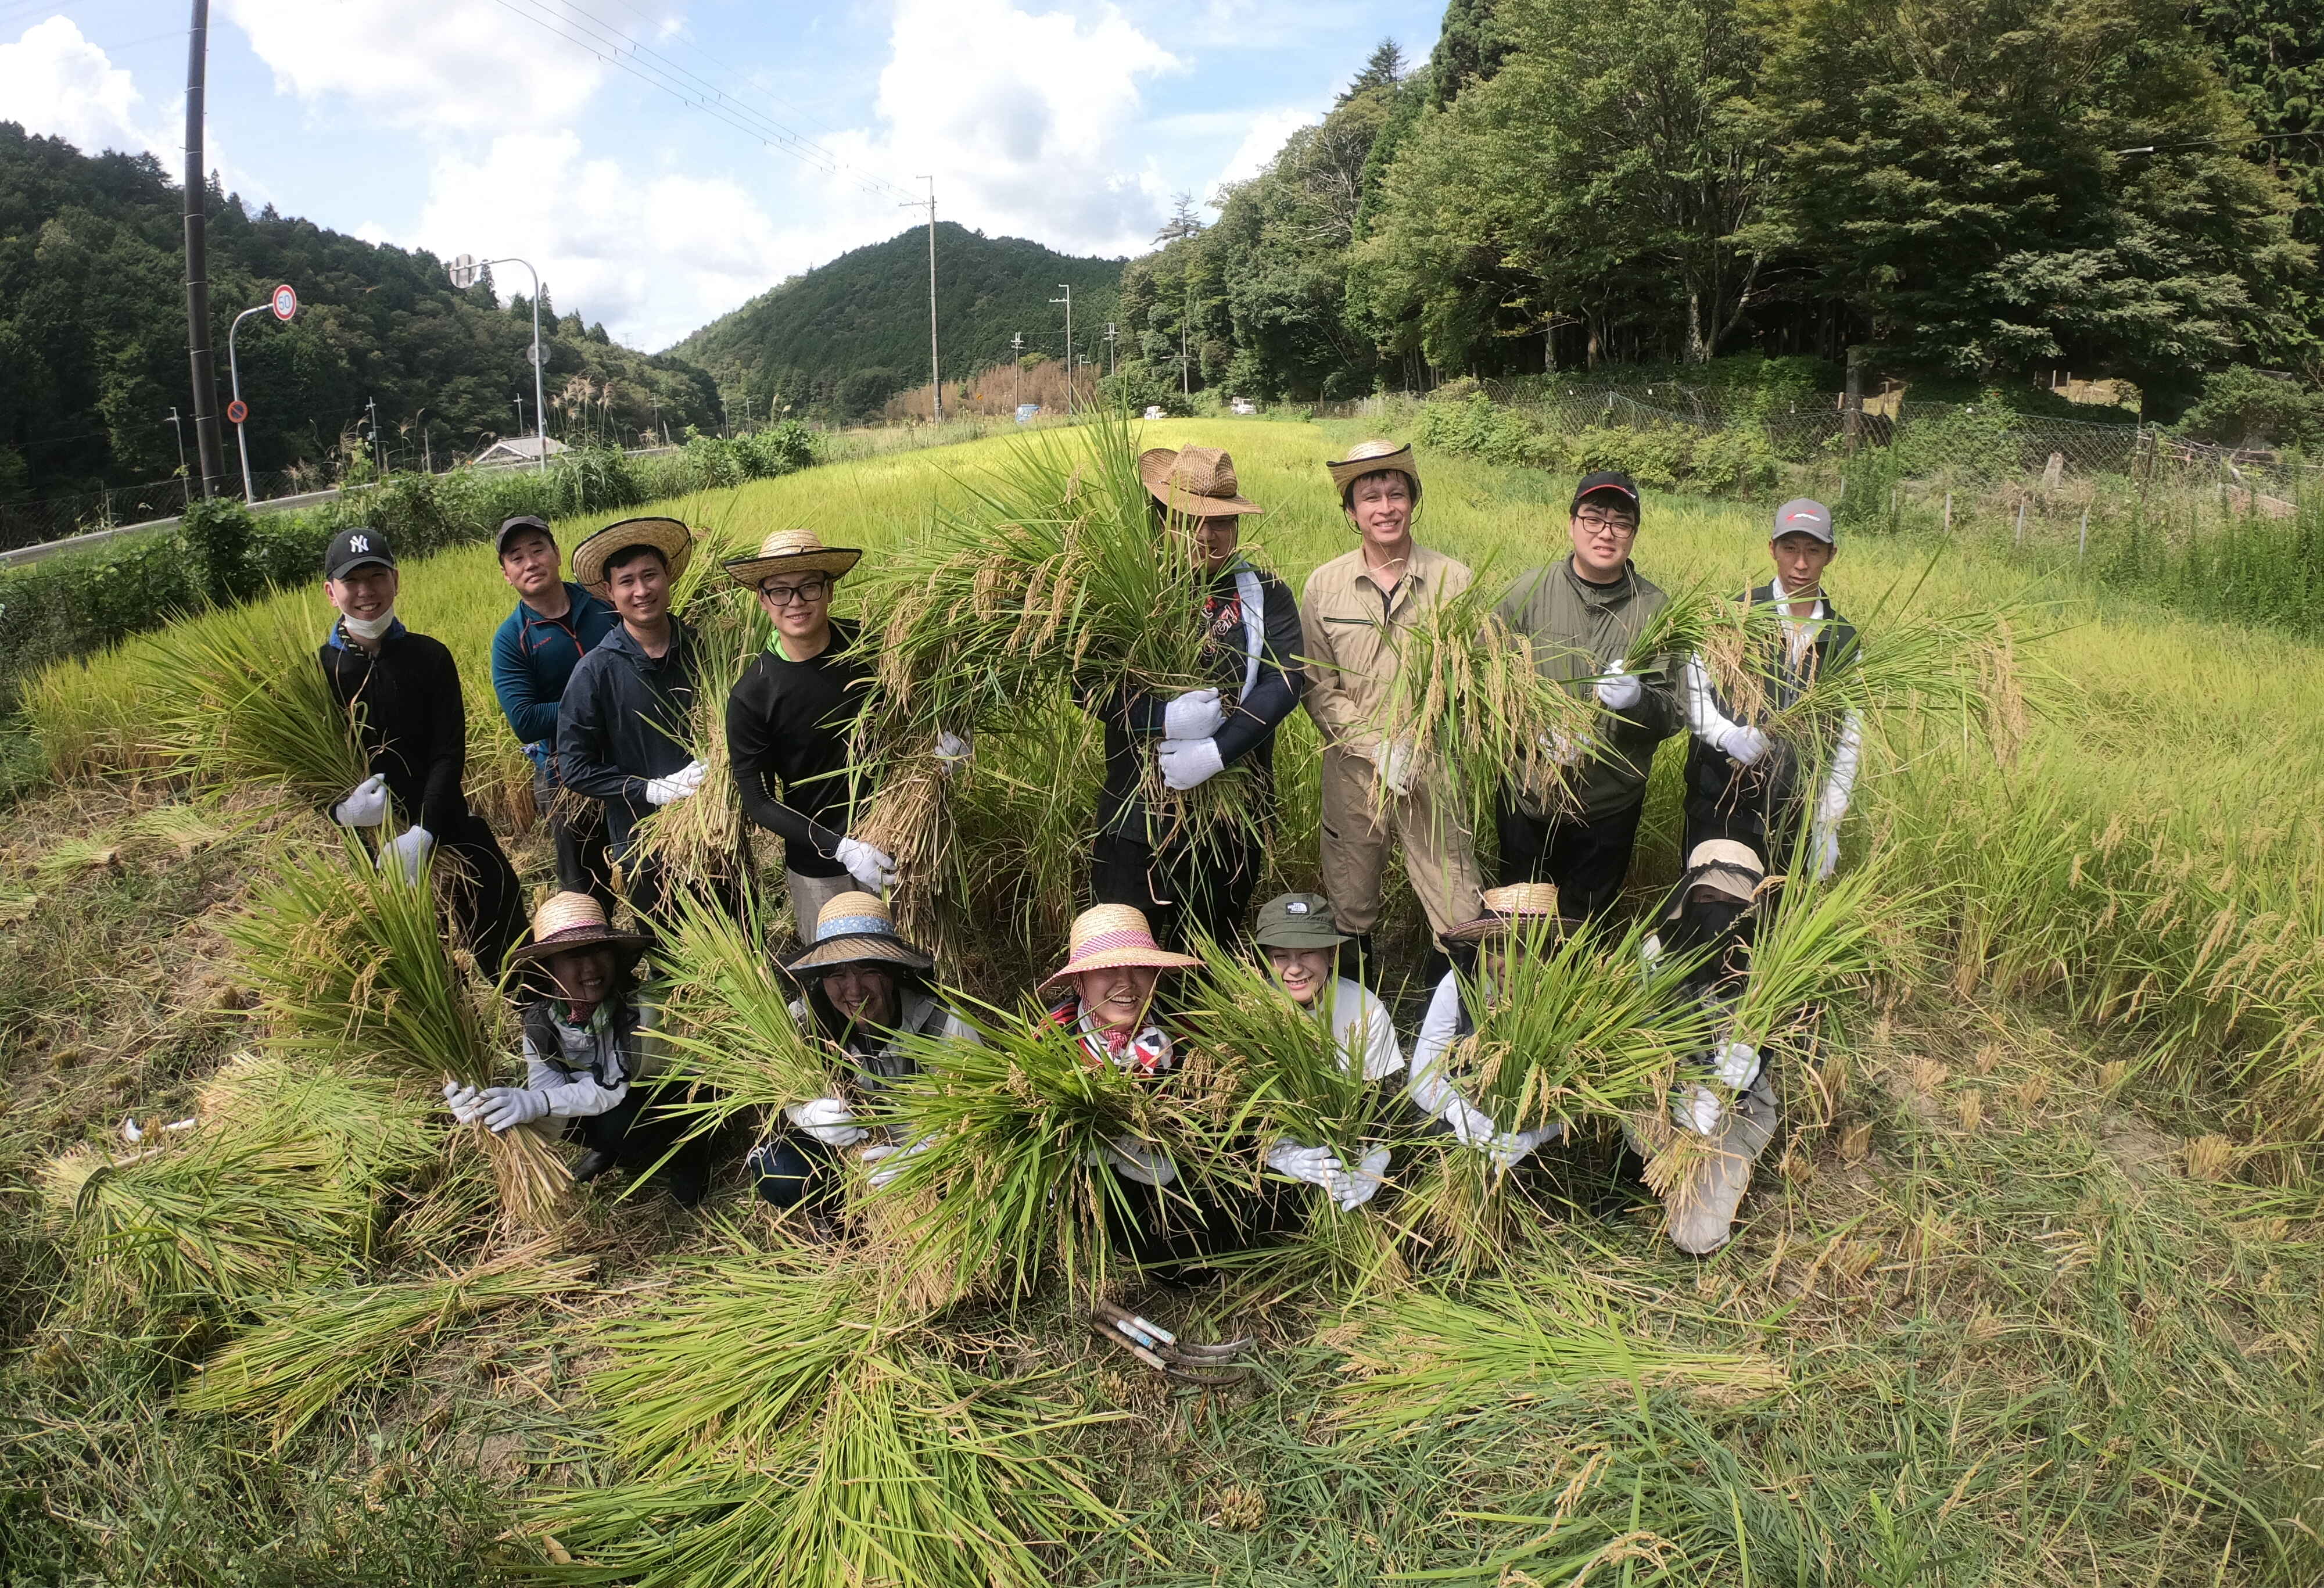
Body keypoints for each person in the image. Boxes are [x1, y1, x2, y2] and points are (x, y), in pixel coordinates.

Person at [1085, 446, 1305, 950]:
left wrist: (1216, 752)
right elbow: (1089, 682)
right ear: (1163, 519)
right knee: (1124, 955)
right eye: (1190, 520)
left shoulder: (1265, 592)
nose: (1207, 535)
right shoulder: (1123, 588)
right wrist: (1161, 717)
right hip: (1136, 818)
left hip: (1232, 819)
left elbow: (1286, 681)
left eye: (1222, 522)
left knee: (1207, 956)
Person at [1300, 440, 1483, 976]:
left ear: (1414, 500)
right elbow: (1318, 687)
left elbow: (1473, 680)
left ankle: (1447, 1028)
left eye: (1397, 493)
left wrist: (1422, 739)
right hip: (1354, 773)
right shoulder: (1324, 586)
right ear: (1351, 510)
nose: (1385, 507)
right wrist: (1375, 745)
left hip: (1434, 768)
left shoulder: (1454, 581)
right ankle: (1360, 1023)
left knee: (1457, 901)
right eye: (1371, 496)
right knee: (1351, 901)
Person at [316, 526, 525, 975]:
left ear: (396, 580)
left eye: (376, 576)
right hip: (373, 848)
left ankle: (535, 1023)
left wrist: (425, 830)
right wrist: (340, 811)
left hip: (444, 824)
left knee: (505, 929)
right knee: (419, 969)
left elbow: (448, 752)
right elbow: (306, 775)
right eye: (352, 582)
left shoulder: (429, 657)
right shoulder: (318, 673)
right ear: (331, 592)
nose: (366, 592)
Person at [1041, 904, 1279, 1268]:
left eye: (1140, 967)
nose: (1126, 982)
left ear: (1157, 976)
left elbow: (1223, 1125)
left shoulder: (1189, 1036)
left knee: (1194, 1256)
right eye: (1107, 969)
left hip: (1170, 1181)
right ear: (1080, 981)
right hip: (1094, 1187)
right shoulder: (1050, 1043)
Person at [1493, 471, 1682, 919]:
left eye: (1621, 523)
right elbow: (1484, 685)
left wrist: (1637, 698)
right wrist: (1532, 730)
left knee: (1584, 928)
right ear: (1572, 524)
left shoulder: (1656, 610)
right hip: (1528, 797)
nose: (1606, 532)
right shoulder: (1528, 592)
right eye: (1594, 517)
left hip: (1609, 807)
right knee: (1518, 925)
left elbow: (1674, 713)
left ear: (1634, 534)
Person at [443, 891, 710, 1206]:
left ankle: (689, 1157)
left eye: (599, 951)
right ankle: (613, 1150)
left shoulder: (642, 1008)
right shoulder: (543, 1024)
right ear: (549, 969)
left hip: (684, 1100)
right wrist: (487, 1105)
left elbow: (612, 1089)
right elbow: (548, 1095)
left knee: (613, 1118)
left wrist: (538, 1102)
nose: (591, 968)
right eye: (574, 956)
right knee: (558, 1108)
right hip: (616, 1101)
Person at [746, 891, 978, 1210]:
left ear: (892, 972)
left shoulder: (945, 1023)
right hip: (848, 1149)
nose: (854, 991)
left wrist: (927, 1152)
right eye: (837, 974)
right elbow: (781, 1089)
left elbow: (978, 1107)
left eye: (868, 971)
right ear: (821, 978)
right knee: (781, 1172)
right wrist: (806, 1115)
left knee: (959, 1189)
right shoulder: (803, 1023)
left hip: (923, 1152)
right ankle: (843, 1221)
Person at [555, 516, 732, 930]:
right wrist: (649, 790)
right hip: (642, 843)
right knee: (667, 949)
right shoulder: (595, 671)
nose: (641, 590)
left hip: (718, 834)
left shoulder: (707, 651)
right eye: (627, 581)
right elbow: (574, 767)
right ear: (610, 594)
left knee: (738, 931)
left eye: (650, 575)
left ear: (667, 577)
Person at [721, 529, 903, 931]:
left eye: (809, 586)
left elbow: (919, 713)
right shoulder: (753, 694)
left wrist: (947, 751)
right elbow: (758, 800)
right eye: (780, 591)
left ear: (830, 589)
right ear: (763, 599)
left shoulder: (876, 647)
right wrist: (840, 847)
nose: (797, 602)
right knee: (837, 978)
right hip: (819, 865)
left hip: (902, 840)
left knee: (913, 966)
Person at [1679, 498, 1863, 881]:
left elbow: (1849, 739)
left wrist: (1827, 825)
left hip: (1794, 816)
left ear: (1831, 555)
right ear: (1772, 549)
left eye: (1813, 550)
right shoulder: (1732, 617)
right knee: (1713, 921)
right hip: (1722, 808)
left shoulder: (1843, 639)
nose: (1801, 563)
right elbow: (1692, 695)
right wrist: (1726, 735)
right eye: (1790, 548)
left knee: (1778, 924)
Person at [1638, 840, 1779, 1256]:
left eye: (1732, 901)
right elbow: (1634, 1038)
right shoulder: (1657, 954)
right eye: (1708, 896)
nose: (1718, 910)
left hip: (1735, 1108)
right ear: (1689, 896)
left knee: (1696, 1237)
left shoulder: (1770, 964)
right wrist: (1677, 1089)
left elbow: (1788, 1027)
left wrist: (1750, 1067)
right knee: (1639, 1129)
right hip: (1663, 1091)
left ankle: (1688, 1174)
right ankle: (1645, 1161)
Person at [489, 514, 619, 910]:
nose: (530, 562)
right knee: (585, 892)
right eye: (516, 557)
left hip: (632, 756)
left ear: (558, 554)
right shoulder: (512, 638)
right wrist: (597, 703)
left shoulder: (604, 604)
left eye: (538, 549)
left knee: (651, 865)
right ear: (506, 574)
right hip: (564, 774)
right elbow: (525, 721)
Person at [1406, 884, 1572, 1175]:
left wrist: (1536, 1135)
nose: (1509, 965)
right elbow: (1422, 1073)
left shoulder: (1570, 1000)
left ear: (1549, 953)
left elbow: (1578, 1097)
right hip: (1470, 1109)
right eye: (1497, 948)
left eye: (1525, 949)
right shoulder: (1460, 984)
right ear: (1480, 951)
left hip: (1539, 1121)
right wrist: (1459, 1113)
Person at [1250, 891, 1400, 1212]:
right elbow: (1241, 1105)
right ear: (1265, 959)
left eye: (1308, 954)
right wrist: (1281, 1155)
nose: (1294, 969)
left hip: (1347, 1143)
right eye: (1280, 956)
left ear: (1332, 955)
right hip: (1270, 1154)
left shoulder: (1366, 1009)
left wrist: (1376, 1158)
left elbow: (1378, 1099)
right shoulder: (1249, 1011)